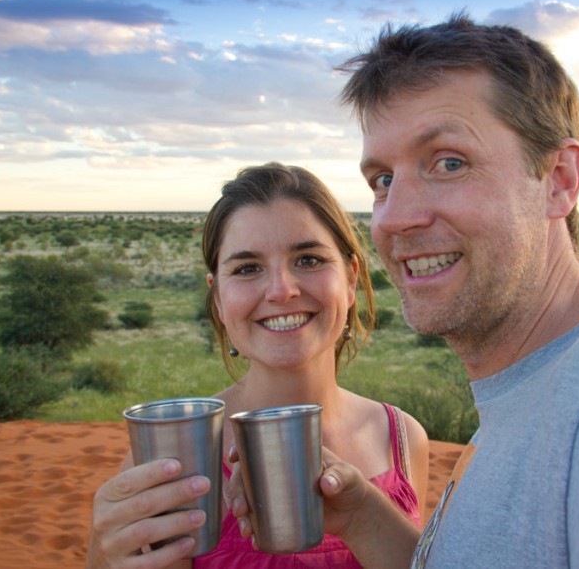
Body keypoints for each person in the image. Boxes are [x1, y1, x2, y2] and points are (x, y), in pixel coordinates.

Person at [225, 12, 579, 567]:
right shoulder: (532, 397)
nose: (394, 217)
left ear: (558, 181)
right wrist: (359, 516)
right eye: (383, 179)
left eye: (448, 162)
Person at [86, 162, 429, 569]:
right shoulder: (177, 460)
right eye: (247, 269)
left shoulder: (401, 439)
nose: (282, 290)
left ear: (351, 279)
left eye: (309, 260)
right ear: (217, 298)